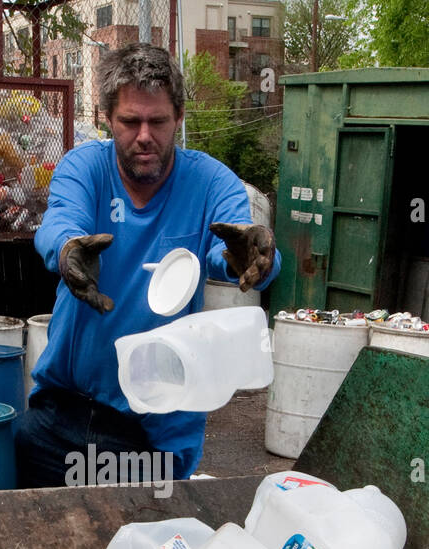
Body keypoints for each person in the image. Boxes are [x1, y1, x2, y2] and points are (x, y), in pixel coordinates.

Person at [17, 43, 281, 488]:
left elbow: (240, 249)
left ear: (178, 117)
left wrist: (245, 257)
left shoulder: (211, 182)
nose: (144, 135)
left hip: (152, 431)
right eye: (130, 121)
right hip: (61, 415)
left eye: (157, 121)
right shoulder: (84, 169)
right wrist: (67, 251)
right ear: (106, 118)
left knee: (136, 545)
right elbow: (59, 224)